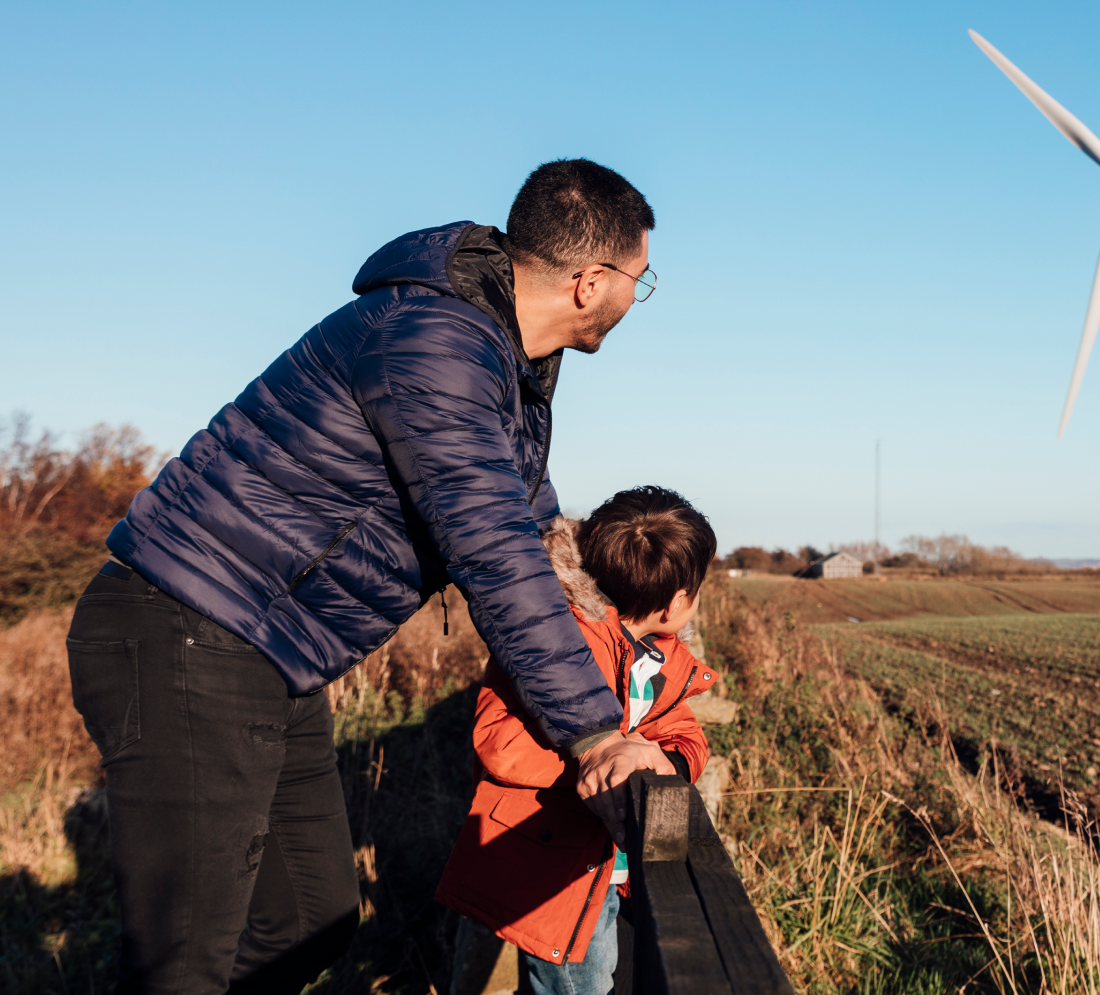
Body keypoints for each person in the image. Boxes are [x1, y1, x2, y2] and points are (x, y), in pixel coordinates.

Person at [66, 159, 669, 994]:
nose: (634, 304)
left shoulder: (505, 370)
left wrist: (628, 641)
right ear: (588, 281)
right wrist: (597, 734)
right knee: (182, 964)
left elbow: (537, 535)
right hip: (190, 627)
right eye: (638, 284)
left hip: (270, 652)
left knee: (308, 916)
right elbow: (492, 554)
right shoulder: (437, 346)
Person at [437, 486, 718, 995]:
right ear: (678, 601)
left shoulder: (662, 656)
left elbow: (683, 731)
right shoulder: (559, 642)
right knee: (577, 986)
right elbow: (499, 740)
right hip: (553, 867)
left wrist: (666, 763)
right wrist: (601, 765)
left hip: (613, 866)